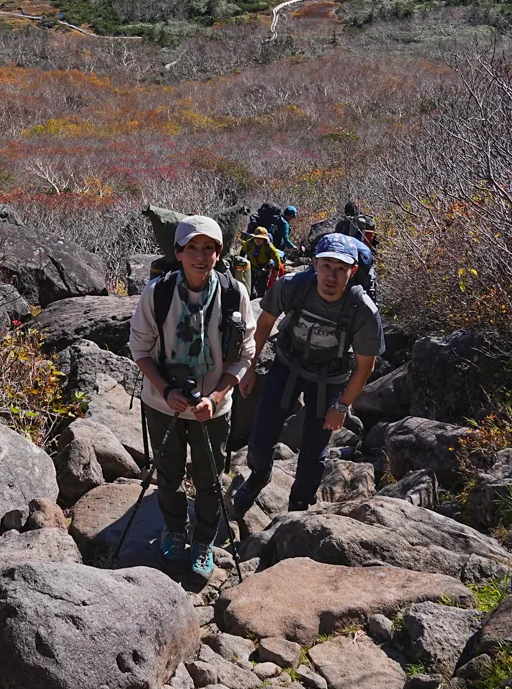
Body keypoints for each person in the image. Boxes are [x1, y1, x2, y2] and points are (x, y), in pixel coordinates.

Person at [130, 214, 254, 578]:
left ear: (219, 253)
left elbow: (246, 353)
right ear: (178, 252)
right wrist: (166, 390)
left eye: (209, 248)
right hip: (161, 404)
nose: (201, 256)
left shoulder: (234, 293)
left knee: (210, 478)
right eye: (192, 248)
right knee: (167, 476)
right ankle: (174, 530)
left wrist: (216, 397)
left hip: (212, 409)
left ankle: (202, 541)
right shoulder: (159, 293)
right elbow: (139, 348)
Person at [232, 232, 384, 516]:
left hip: (331, 380)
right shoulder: (292, 286)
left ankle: (299, 506)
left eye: (341, 269)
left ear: (352, 272)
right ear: (314, 264)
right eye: (326, 265)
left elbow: (366, 366)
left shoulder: (361, 309)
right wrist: (249, 367)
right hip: (287, 365)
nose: (332, 276)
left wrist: (341, 407)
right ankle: (259, 475)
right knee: (261, 435)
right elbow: (263, 324)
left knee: (314, 453)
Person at [242, 225, 282, 299]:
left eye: (261, 238)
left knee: (261, 288)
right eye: (256, 238)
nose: (258, 240)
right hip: (251, 267)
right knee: (249, 285)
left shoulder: (269, 247)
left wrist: (276, 275)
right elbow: (242, 252)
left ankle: (260, 301)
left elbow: (277, 260)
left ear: (265, 239)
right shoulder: (249, 243)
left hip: (264, 269)